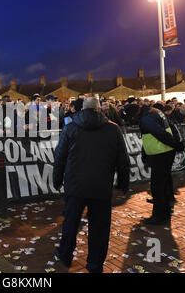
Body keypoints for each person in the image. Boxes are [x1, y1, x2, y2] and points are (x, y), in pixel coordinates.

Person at [53, 97, 130, 273]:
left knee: (71, 223)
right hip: (101, 186)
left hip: (75, 185)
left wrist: (57, 180)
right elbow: (123, 160)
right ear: (99, 109)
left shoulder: (70, 128)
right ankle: (95, 264)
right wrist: (123, 183)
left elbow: (60, 156)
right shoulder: (113, 129)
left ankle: (65, 254)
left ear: (82, 109)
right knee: (100, 228)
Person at [139, 103, 184, 225]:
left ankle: (159, 216)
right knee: (163, 183)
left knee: (157, 186)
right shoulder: (156, 113)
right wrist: (176, 144)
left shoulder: (147, 118)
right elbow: (170, 128)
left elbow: (159, 133)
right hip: (166, 151)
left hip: (160, 152)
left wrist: (174, 144)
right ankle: (165, 211)